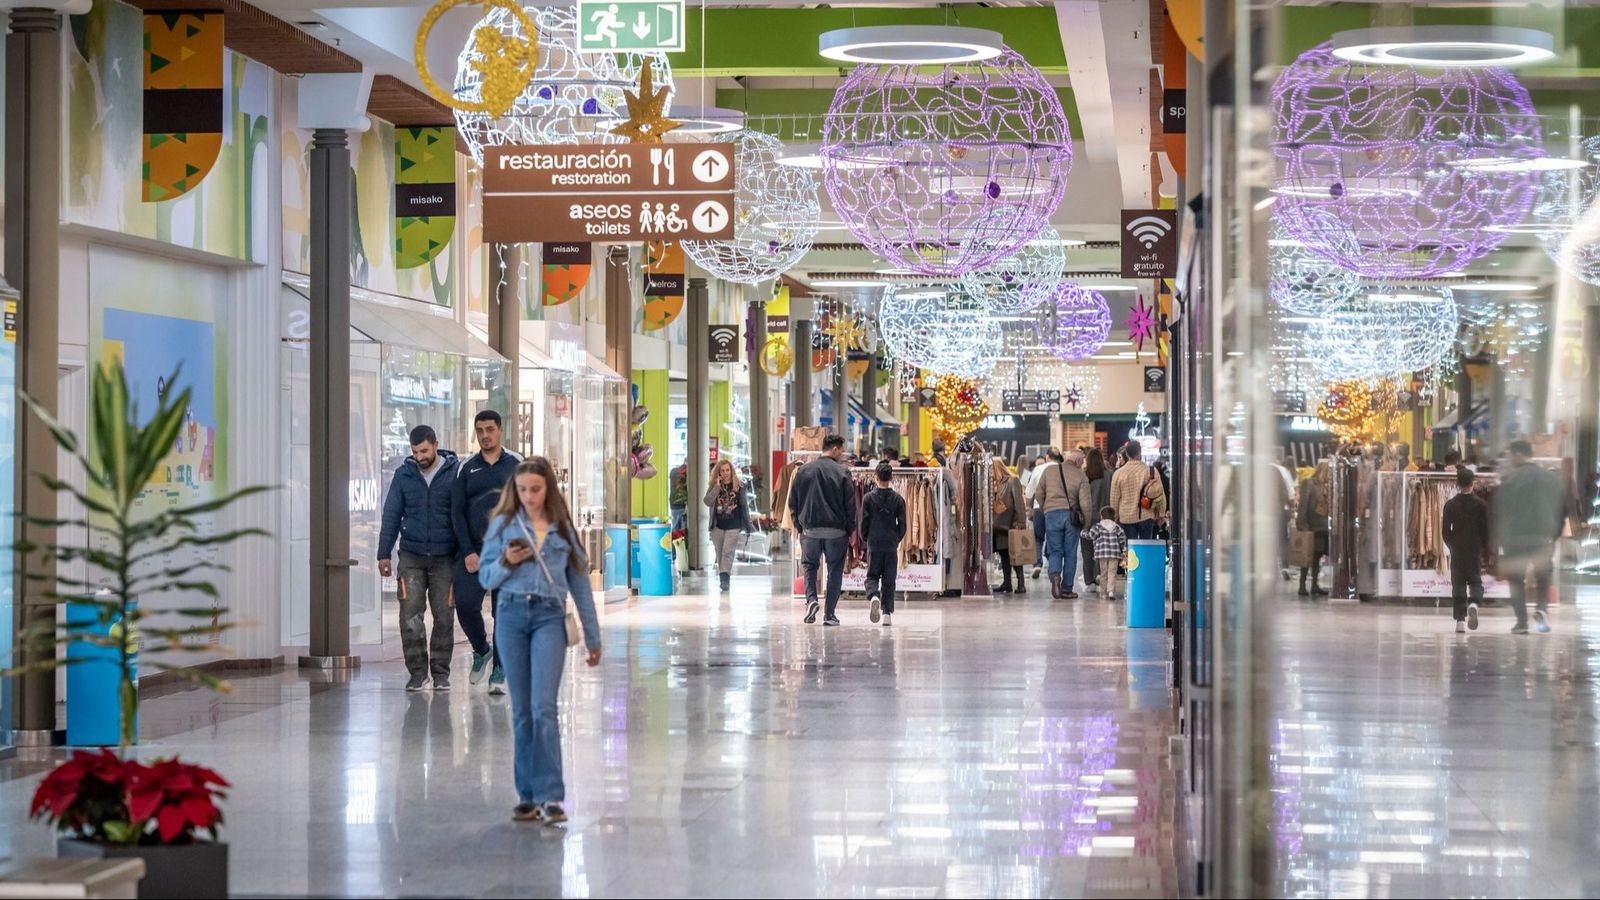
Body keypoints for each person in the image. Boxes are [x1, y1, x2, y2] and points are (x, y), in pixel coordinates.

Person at [478, 457, 602, 825]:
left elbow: (580, 585)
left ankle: (551, 796)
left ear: (548, 489)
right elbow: (486, 578)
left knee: (543, 707)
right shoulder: (503, 525)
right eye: (522, 490)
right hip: (511, 617)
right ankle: (527, 796)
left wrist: (593, 637)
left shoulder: (563, 529)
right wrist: (506, 561)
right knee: (521, 711)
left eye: (536, 489)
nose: (529, 497)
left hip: (549, 617)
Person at [378, 425, 459, 692]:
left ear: (436, 445)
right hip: (411, 555)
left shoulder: (454, 474)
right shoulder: (404, 475)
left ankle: (440, 674)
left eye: (424, 450)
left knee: (444, 617)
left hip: (445, 556)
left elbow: (462, 515)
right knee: (410, 617)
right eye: (415, 451)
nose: (420, 456)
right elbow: (391, 515)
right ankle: (416, 673)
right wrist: (383, 553)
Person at [452, 409, 520, 694]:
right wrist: (467, 551)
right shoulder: (466, 468)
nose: (485, 435)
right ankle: (482, 649)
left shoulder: (517, 464)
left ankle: (500, 670)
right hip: (474, 553)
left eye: (490, 429)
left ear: (500, 429)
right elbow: (457, 513)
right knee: (466, 606)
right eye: (480, 430)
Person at [787, 433, 857, 626]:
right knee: (834, 571)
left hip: (810, 530)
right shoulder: (843, 472)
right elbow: (850, 505)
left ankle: (811, 600)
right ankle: (830, 615)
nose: (842, 454)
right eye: (841, 450)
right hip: (836, 531)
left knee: (810, 567)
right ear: (834, 449)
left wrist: (800, 525)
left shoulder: (804, 471)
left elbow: (793, 502)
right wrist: (849, 529)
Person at [1496, 440, 1565, 635]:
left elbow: (1501, 512)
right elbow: (1562, 509)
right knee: (1543, 577)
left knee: (1516, 581)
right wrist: (1554, 534)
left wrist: (1501, 537)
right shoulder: (1551, 479)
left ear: (1518, 454)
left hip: (1516, 539)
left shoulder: (1509, 479)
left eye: (1510, 454)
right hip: (1543, 538)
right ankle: (1541, 609)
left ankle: (1521, 623)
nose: (1508, 458)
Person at [1031, 448, 1094, 600]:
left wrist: (1046, 508)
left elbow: (1038, 493)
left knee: (1055, 550)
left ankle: (1055, 577)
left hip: (1051, 515)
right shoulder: (1080, 475)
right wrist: (1087, 523)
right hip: (1071, 517)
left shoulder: (1050, 471)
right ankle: (1066, 588)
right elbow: (1086, 503)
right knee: (1070, 553)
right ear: (1078, 461)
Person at [1442, 467, 1490, 634]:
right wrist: (1483, 547)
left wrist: (1452, 545)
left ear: (1457, 483)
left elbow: (1445, 531)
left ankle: (1460, 622)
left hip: (1457, 549)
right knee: (1476, 581)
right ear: (1473, 482)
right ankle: (1474, 603)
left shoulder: (1450, 505)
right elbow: (1486, 530)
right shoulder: (1481, 505)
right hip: (1474, 549)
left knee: (1458, 585)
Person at [859, 460, 907, 625]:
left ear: (875, 477)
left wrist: (866, 538)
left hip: (874, 541)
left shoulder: (867, 499)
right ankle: (887, 614)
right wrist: (896, 538)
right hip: (891, 543)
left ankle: (873, 596)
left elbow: (863, 523)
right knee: (889, 579)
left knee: (872, 575)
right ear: (891, 478)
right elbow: (903, 525)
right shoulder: (898, 499)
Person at [705, 458, 751, 593]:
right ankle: (724, 578)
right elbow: (707, 501)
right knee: (719, 554)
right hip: (717, 526)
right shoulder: (714, 486)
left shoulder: (739, 486)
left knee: (727, 552)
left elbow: (744, 506)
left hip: (733, 525)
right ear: (718, 473)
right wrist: (717, 487)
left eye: (727, 470)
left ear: (731, 471)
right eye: (722, 471)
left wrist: (748, 525)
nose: (725, 473)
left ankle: (725, 579)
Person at [1110, 444, 1166, 541]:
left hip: (1126, 517)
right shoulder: (1151, 471)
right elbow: (1160, 494)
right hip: (1147, 515)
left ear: (1127, 455)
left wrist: (1115, 517)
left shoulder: (1118, 473)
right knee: (1146, 547)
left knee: (1131, 550)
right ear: (1140, 453)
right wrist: (1161, 514)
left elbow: (1114, 498)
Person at [990, 457, 1027, 593]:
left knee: (1016, 554)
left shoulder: (1013, 481)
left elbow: (1019, 503)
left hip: (1011, 524)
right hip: (997, 526)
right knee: (1003, 553)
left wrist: (1021, 522)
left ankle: (1021, 583)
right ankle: (1007, 583)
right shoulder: (993, 484)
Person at [1294, 461, 1331, 597]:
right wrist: (1301, 524)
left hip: (1322, 527)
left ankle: (1315, 584)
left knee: (1317, 555)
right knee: (1306, 556)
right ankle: (1302, 585)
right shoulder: (1309, 483)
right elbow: (1303, 505)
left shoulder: (1325, 486)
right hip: (1310, 526)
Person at [1080, 448, 1111, 593]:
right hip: (1106, 517)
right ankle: (1100, 574)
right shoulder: (1109, 475)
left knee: (1087, 550)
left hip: (1088, 517)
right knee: (1103, 549)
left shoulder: (1085, 476)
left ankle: (1089, 580)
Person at [1089, 506, 1129, 601]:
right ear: (1113, 516)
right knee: (1112, 572)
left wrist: (1083, 533)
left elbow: (1091, 535)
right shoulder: (1116, 526)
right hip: (1114, 553)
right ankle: (1111, 591)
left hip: (1102, 553)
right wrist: (1122, 546)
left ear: (1101, 517)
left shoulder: (1098, 526)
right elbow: (1123, 538)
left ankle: (1103, 592)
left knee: (1103, 572)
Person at [1025, 454, 1048, 582]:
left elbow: (1028, 492)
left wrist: (1028, 506)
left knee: (1039, 538)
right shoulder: (1030, 474)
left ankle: (1039, 563)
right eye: (1038, 464)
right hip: (1039, 508)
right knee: (1039, 537)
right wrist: (1028, 509)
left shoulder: (1034, 473)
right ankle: (1039, 563)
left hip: (1038, 507)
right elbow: (1026, 491)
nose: (1040, 466)